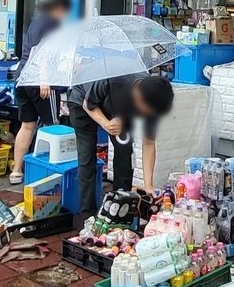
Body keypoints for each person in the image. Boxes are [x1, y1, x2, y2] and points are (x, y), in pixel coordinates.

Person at [66, 74, 174, 215]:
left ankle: (120, 208)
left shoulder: (154, 100)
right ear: (139, 97)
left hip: (118, 111)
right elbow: (88, 104)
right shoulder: (113, 79)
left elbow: (148, 143)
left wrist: (148, 185)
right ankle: (87, 213)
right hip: (84, 103)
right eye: (146, 112)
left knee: (125, 154)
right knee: (87, 158)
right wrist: (106, 124)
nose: (148, 116)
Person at [9, 0, 71, 184]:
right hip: (41, 81)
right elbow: (44, 51)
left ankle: (16, 171)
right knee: (53, 127)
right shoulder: (53, 24)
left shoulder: (36, 22)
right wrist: (45, 79)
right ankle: (50, 175)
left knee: (27, 125)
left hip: (22, 78)